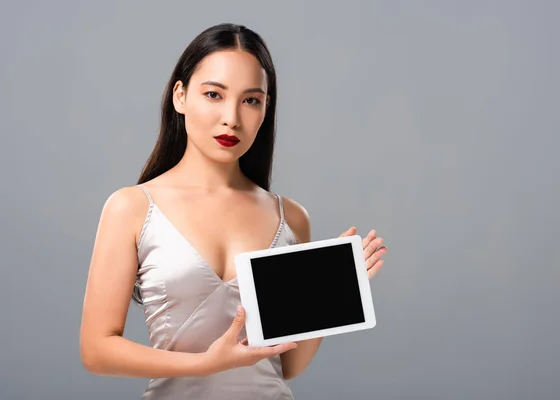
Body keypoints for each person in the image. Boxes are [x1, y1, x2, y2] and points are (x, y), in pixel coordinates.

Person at [79, 22, 387, 400]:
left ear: (265, 108)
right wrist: (205, 363)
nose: (232, 118)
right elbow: (96, 351)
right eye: (213, 94)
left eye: (250, 100)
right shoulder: (131, 207)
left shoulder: (290, 217)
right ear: (180, 96)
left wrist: (332, 288)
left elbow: (286, 367)